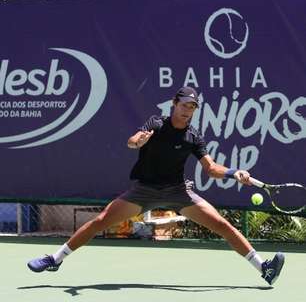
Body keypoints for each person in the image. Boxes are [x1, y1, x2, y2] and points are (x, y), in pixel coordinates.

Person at [27, 86, 284, 285]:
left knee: (223, 225)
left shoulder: (193, 136)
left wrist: (233, 172)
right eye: (184, 105)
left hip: (177, 191)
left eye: (192, 107)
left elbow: (210, 168)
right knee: (101, 221)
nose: (187, 110)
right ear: (174, 104)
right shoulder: (156, 124)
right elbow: (132, 141)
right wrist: (138, 142)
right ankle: (54, 260)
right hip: (144, 191)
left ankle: (265, 269)